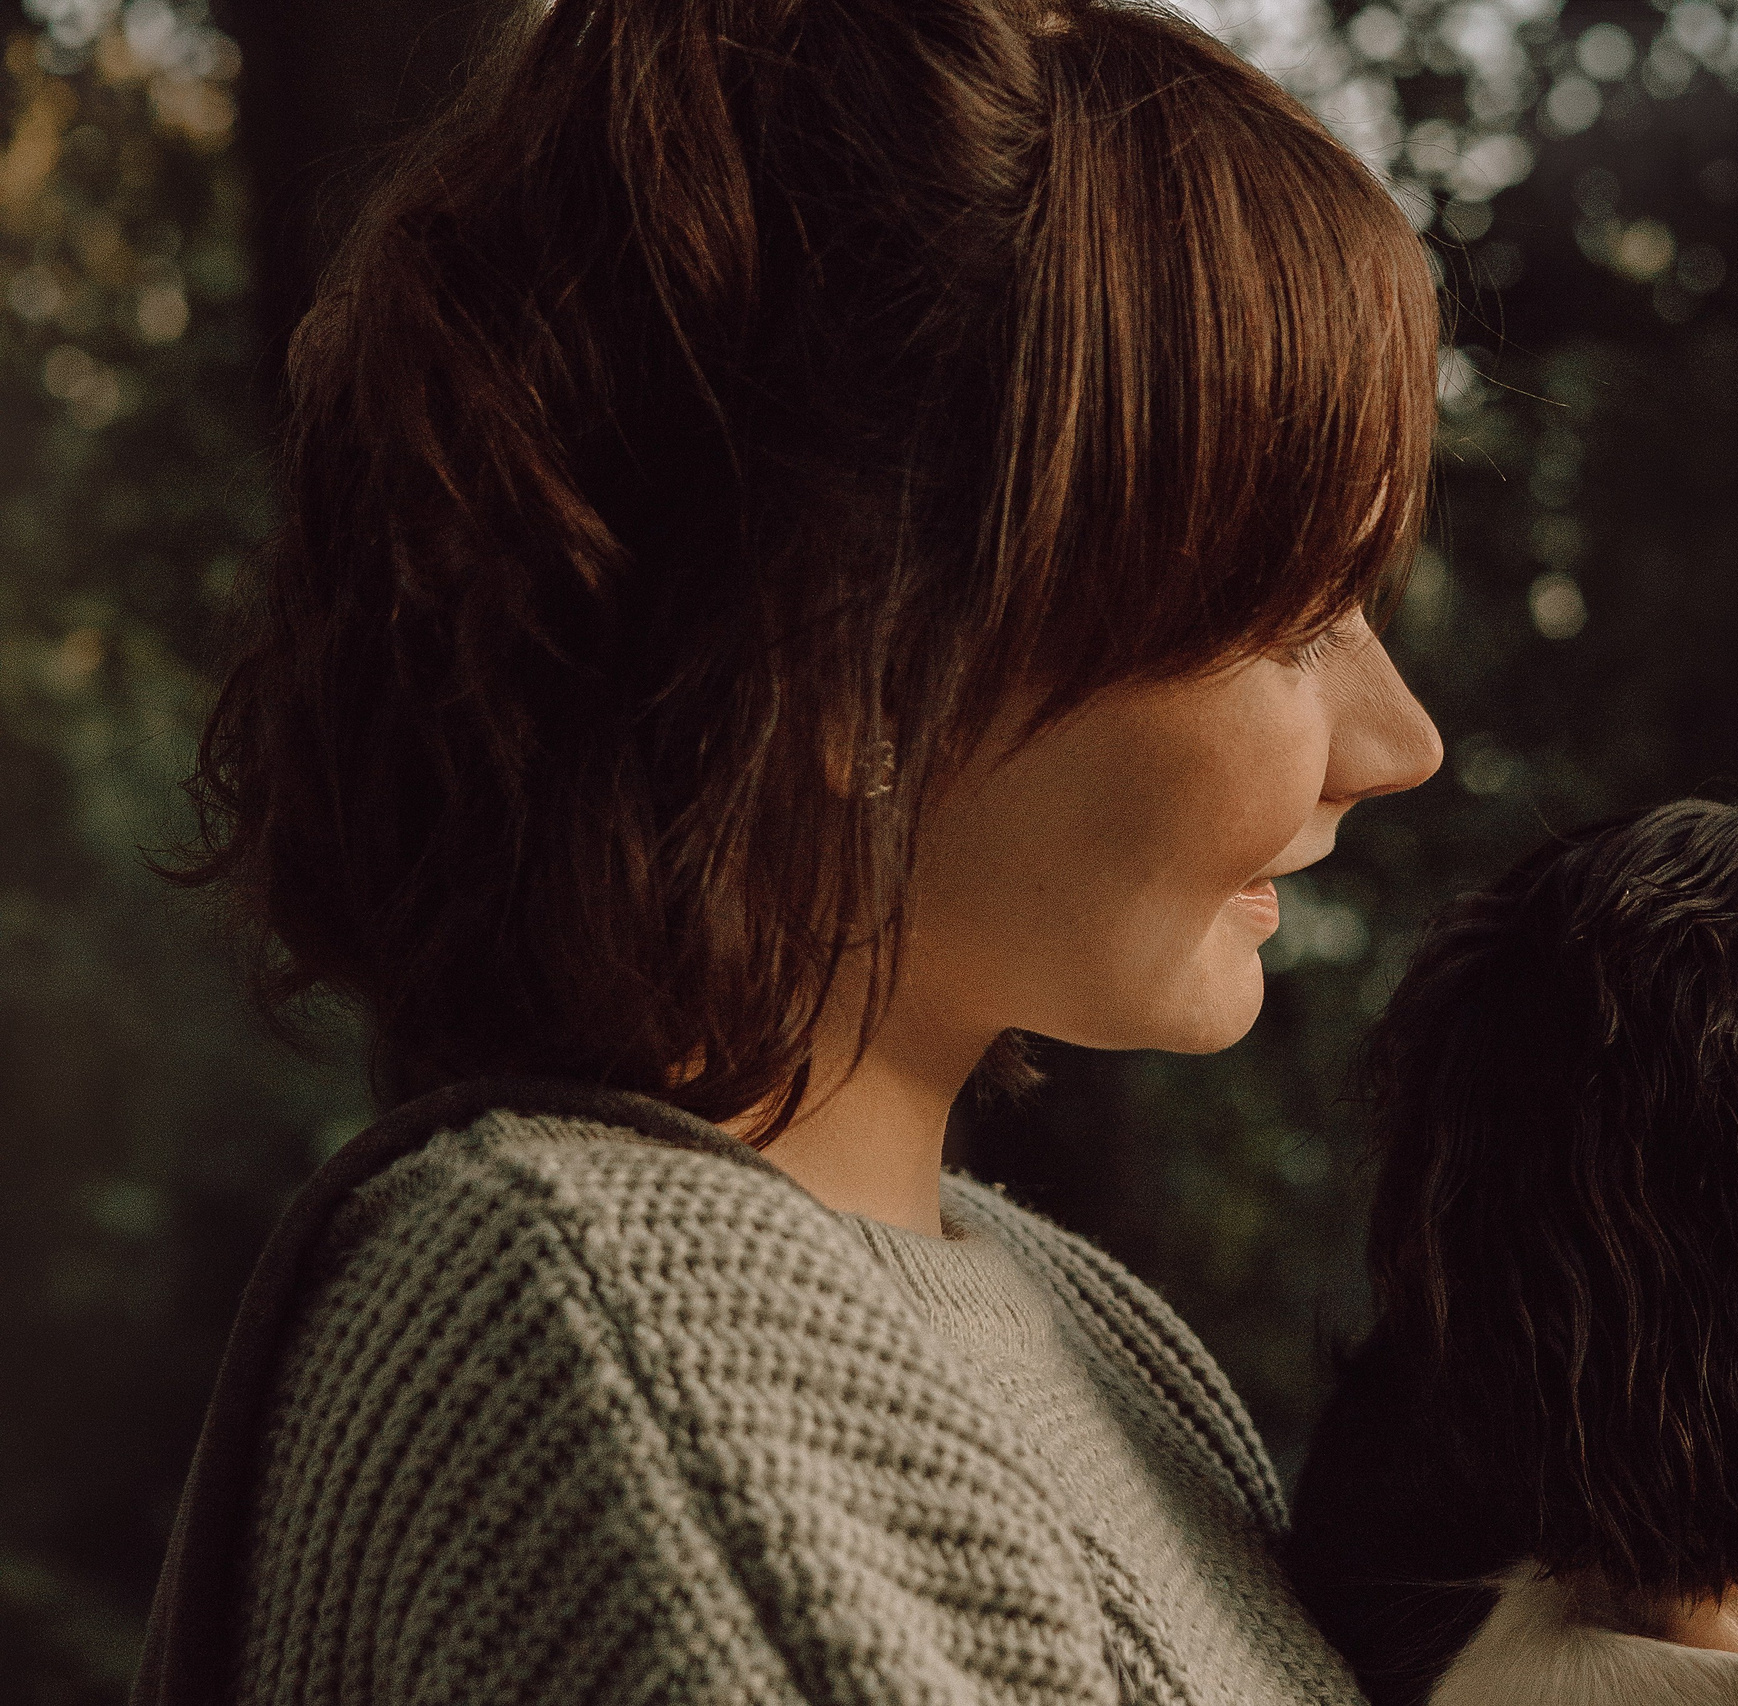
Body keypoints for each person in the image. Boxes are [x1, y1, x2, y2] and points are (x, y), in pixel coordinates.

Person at [134, 0, 1443, 1700]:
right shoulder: (631, 1338)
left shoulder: (1069, 1325)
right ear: (856, 647)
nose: (1401, 743)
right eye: (1299, 618)